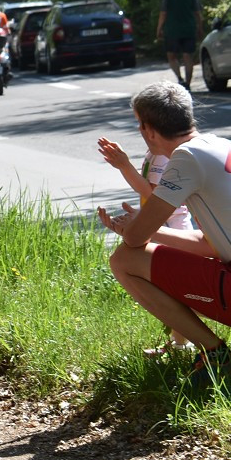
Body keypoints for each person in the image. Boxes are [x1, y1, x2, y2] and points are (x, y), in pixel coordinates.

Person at [97, 81, 231, 386]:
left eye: (139, 125)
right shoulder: (224, 146)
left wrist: (134, 228)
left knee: (124, 260)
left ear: (149, 130)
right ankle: (210, 351)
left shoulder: (186, 158)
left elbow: (135, 241)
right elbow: (209, 244)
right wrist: (150, 230)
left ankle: (218, 355)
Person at [97, 135, 194, 352]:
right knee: (168, 292)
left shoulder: (164, 156)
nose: (141, 131)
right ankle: (180, 344)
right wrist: (134, 221)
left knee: (173, 294)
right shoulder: (156, 153)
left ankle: (184, 346)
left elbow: (151, 193)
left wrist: (124, 165)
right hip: (163, 226)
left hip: (173, 230)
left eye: (143, 123)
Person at [154, 0, 204, 90]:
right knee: (188, 56)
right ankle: (188, 83)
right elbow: (197, 12)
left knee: (172, 56)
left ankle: (180, 79)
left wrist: (159, 28)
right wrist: (200, 27)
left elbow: (163, 12)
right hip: (189, 28)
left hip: (172, 30)